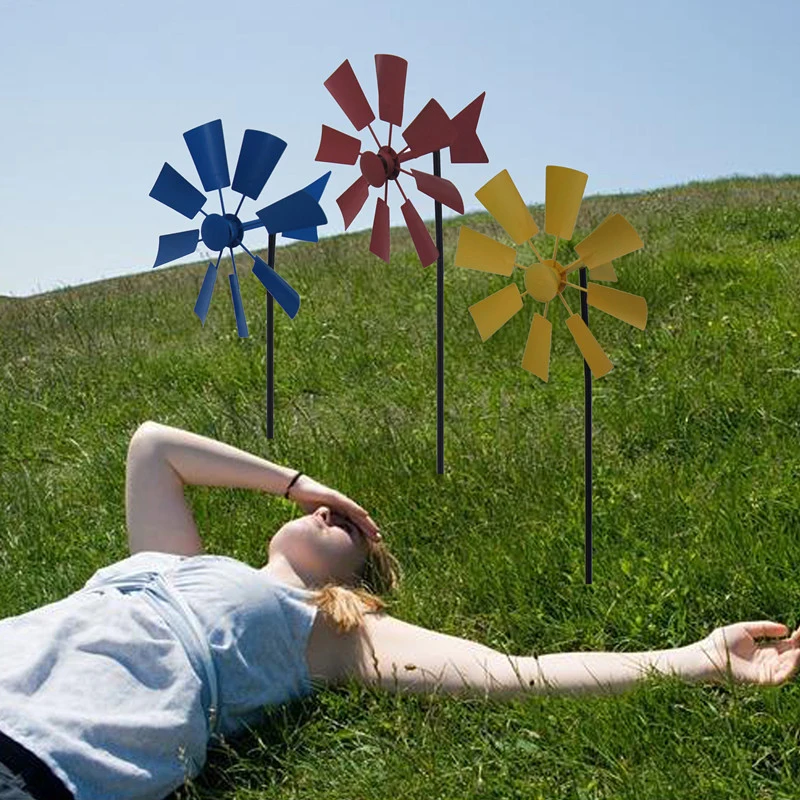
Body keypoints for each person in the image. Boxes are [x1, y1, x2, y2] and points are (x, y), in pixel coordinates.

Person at [1, 421, 798, 800]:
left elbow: (514, 674)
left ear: (361, 585)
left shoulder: (329, 631)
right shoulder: (172, 561)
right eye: (340, 513)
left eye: (355, 531)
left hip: (64, 737)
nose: (339, 516)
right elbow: (152, 446)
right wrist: (298, 482)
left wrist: (698, 658)